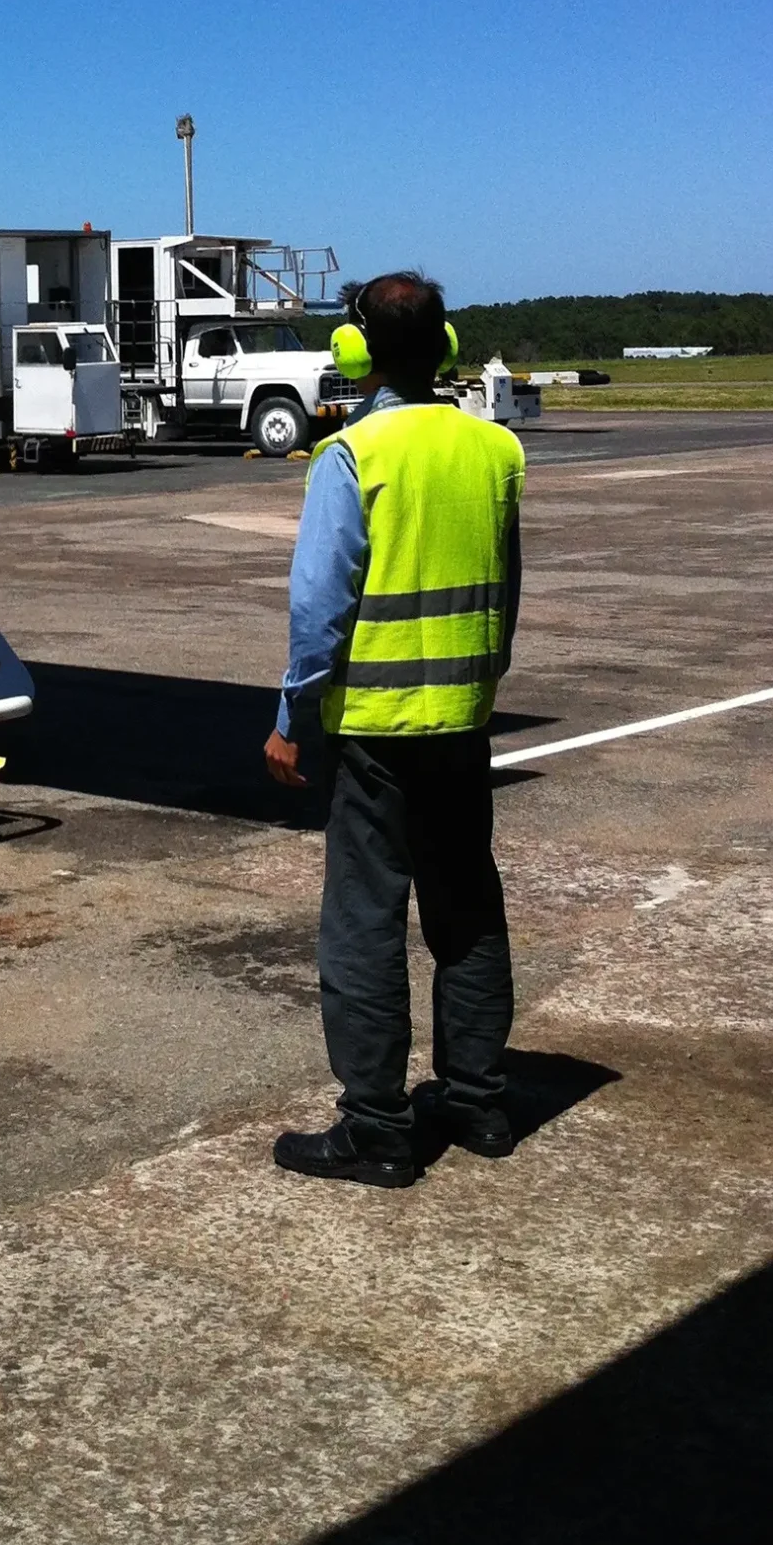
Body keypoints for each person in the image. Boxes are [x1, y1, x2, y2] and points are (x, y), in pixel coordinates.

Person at [264, 272, 525, 1188]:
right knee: (466, 912)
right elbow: (508, 589)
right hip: (462, 721)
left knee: (365, 924)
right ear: (446, 348)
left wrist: (294, 713)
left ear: (362, 351)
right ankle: (479, 1101)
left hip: (375, 730)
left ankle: (376, 1127)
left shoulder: (352, 454)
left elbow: (318, 604)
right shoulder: (495, 449)